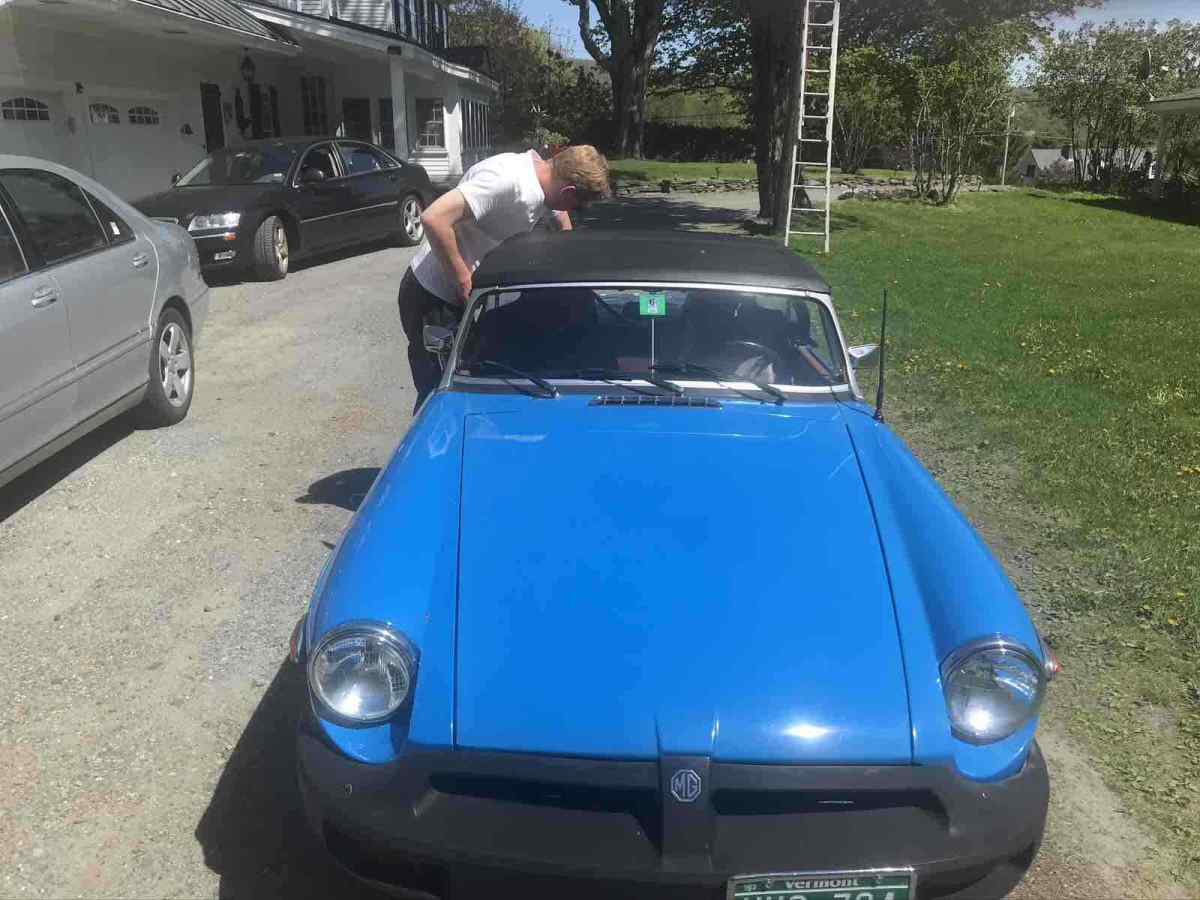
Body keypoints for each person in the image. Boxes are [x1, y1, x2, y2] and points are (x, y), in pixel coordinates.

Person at [398, 145, 611, 410]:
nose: (573, 209)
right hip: (433, 297)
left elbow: (558, 213)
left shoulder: (543, 174)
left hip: (464, 296)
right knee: (439, 391)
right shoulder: (507, 183)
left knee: (474, 379)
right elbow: (434, 219)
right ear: (568, 191)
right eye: (577, 204)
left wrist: (570, 259)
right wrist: (465, 283)